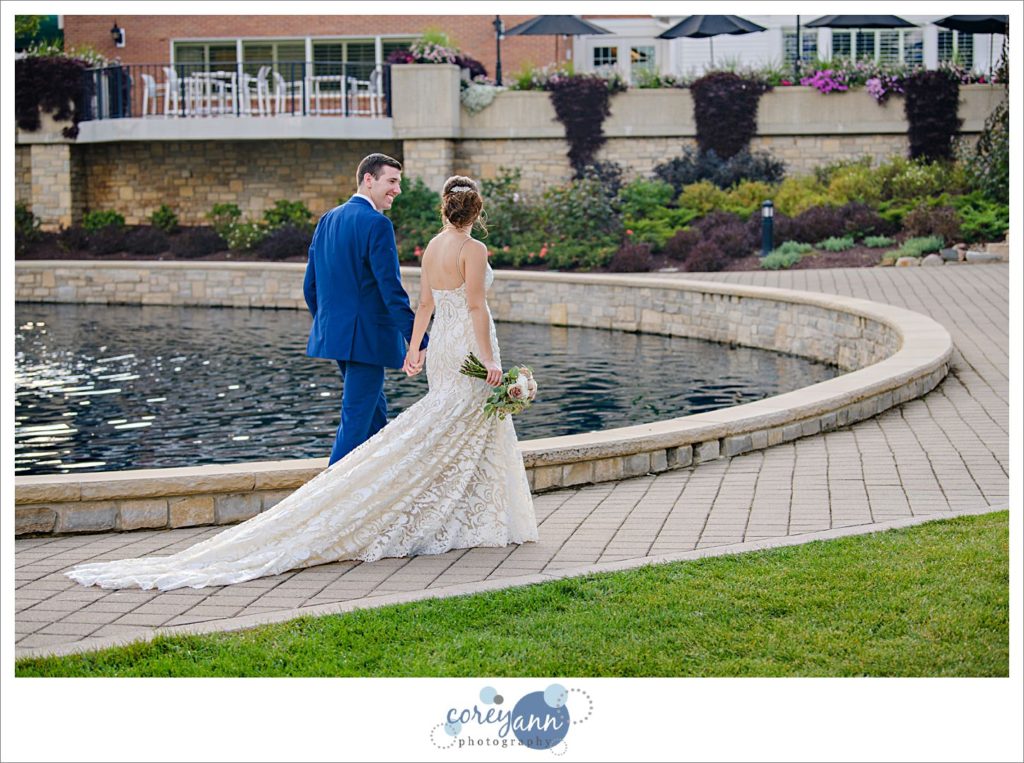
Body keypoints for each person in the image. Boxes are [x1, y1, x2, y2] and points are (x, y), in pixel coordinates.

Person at [65, 175, 538, 591]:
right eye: (390, 181)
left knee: (385, 422)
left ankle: (391, 505)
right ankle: (331, 510)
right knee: (374, 426)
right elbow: (428, 298)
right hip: (410, 344)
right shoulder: (398, 230)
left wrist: (365, 333)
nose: (395, 189)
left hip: (346, 337)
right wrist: (440, 350)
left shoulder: (346, 223)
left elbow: (324, 286)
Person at [303, 153, 428, 465]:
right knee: (355, 423)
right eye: (392, 181)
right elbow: (392, 292)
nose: (397, 189)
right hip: (366, 340)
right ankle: (326, 503)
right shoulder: (377, 224)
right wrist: (418, 341)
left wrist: (331, 325)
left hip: (338, 337)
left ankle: (375, 490)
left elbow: (311, 287)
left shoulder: (327, 220)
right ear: (368, 180)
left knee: (374, 418)